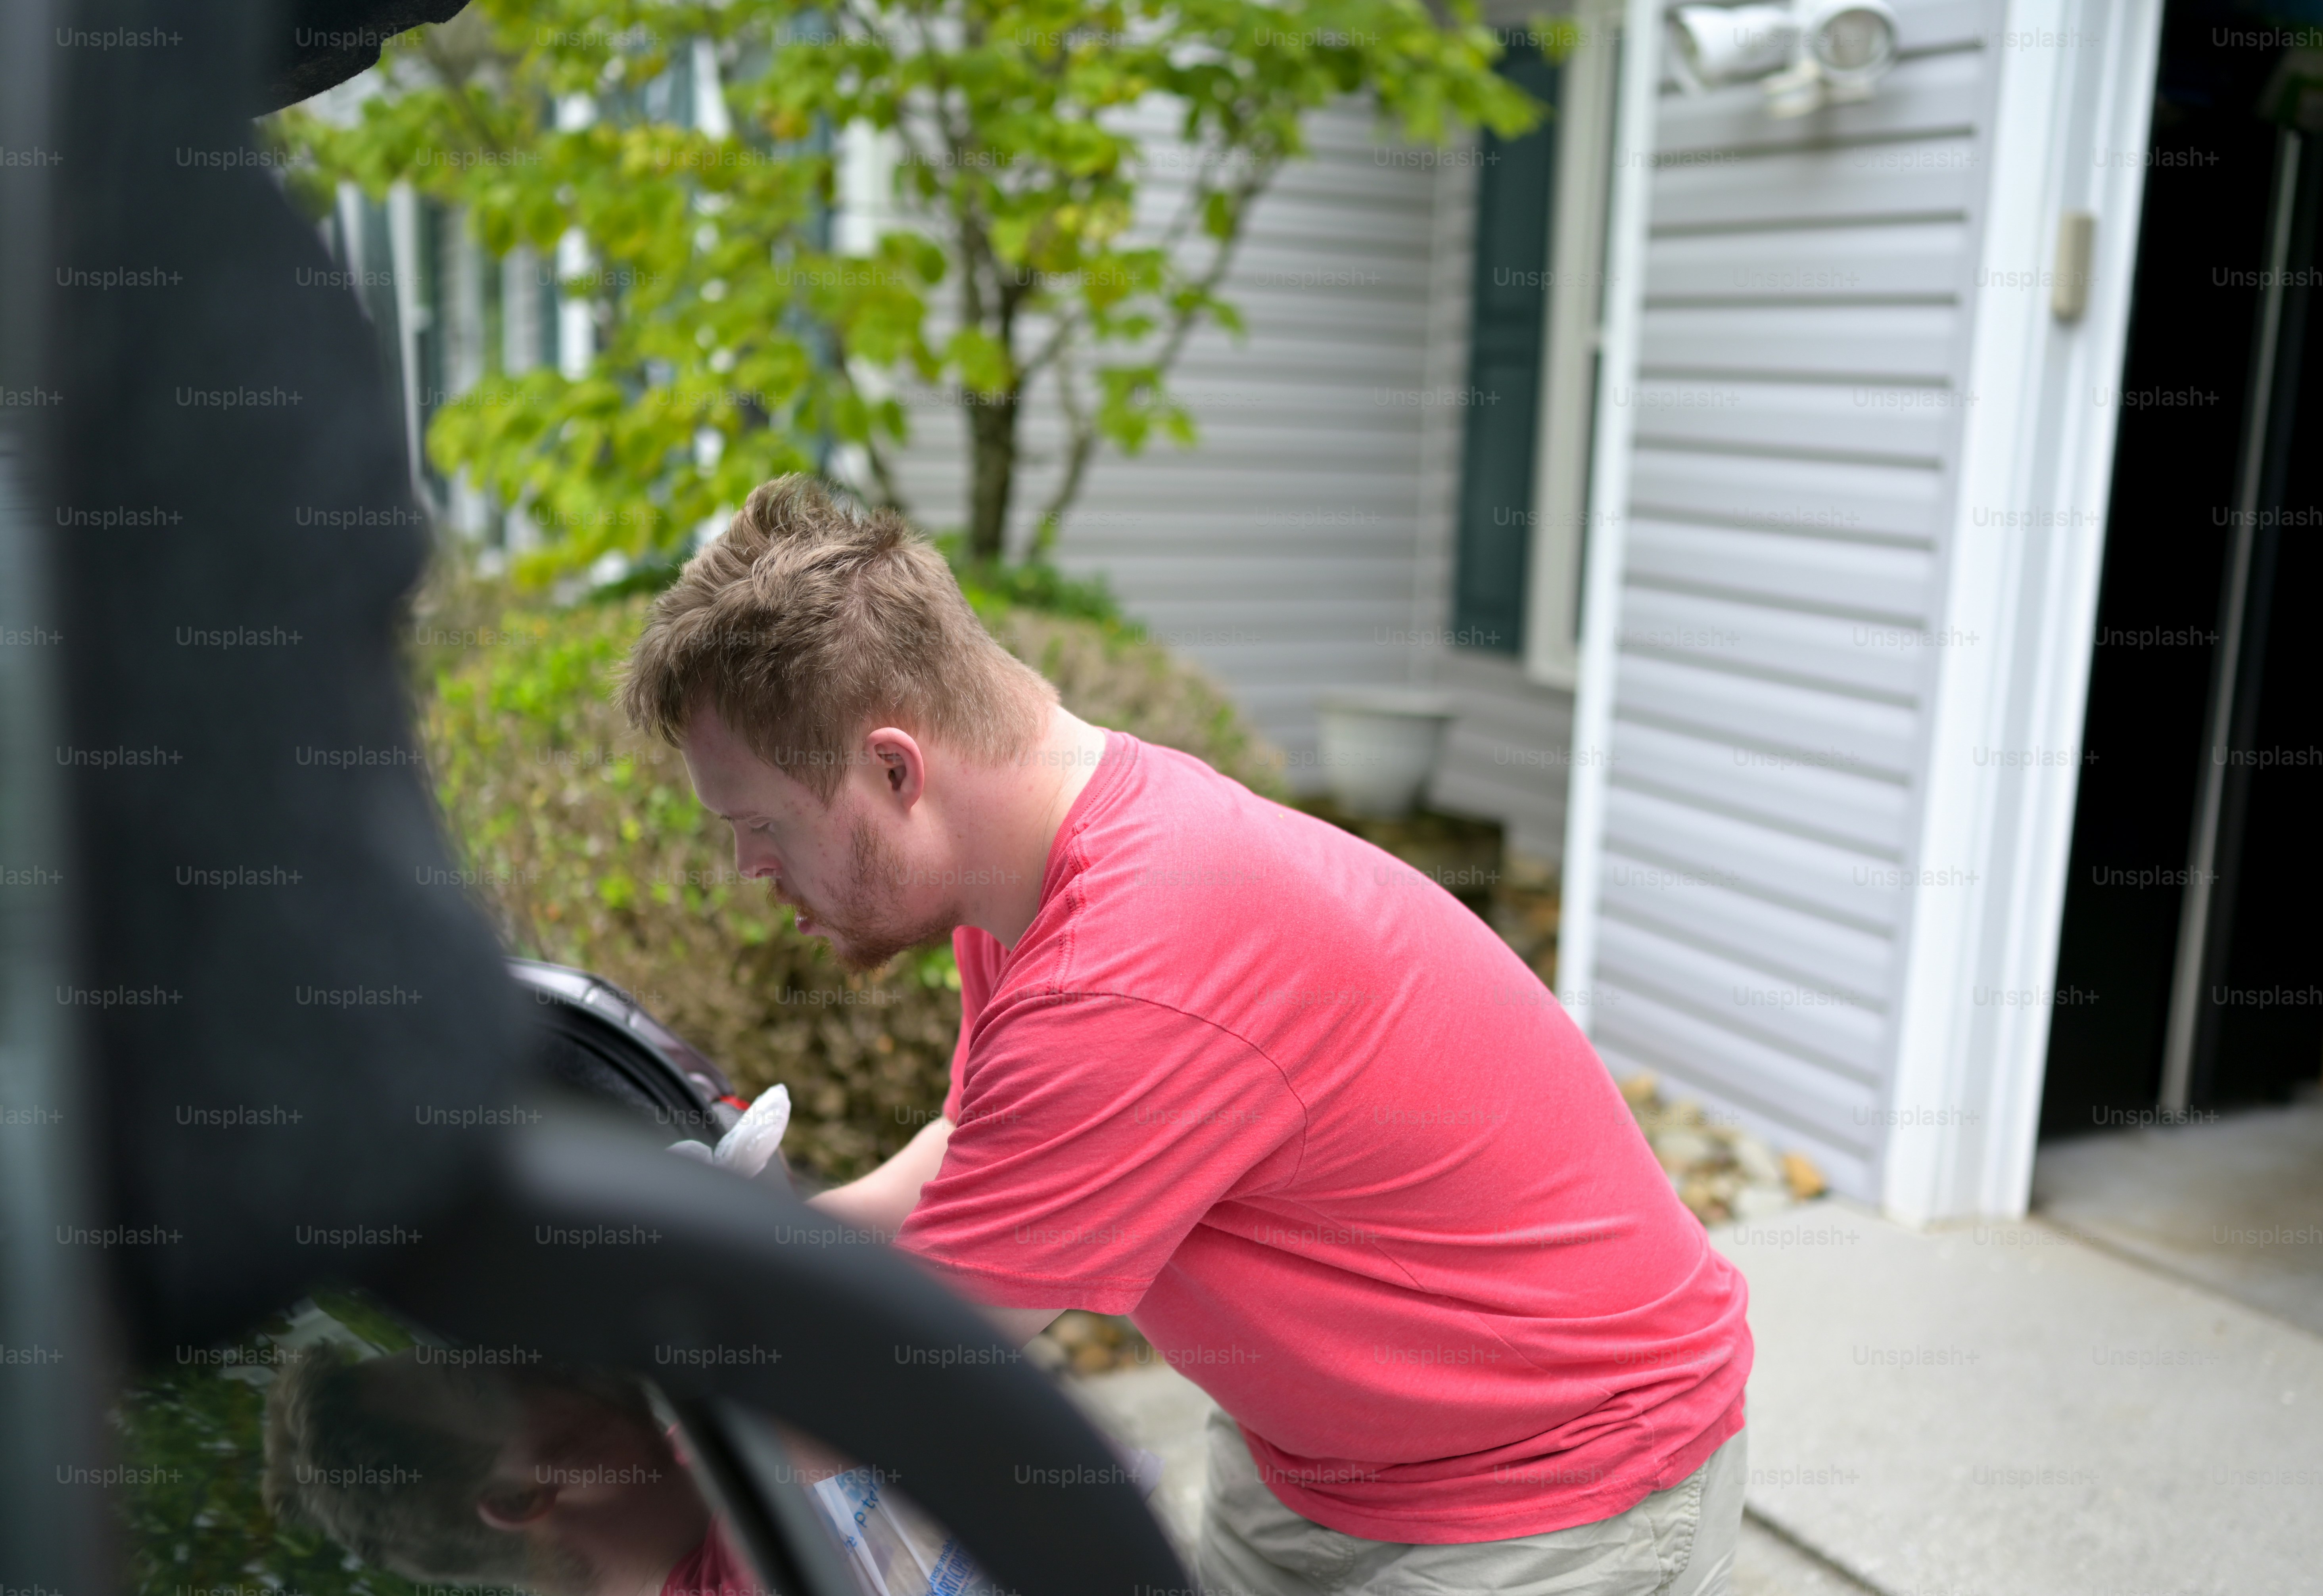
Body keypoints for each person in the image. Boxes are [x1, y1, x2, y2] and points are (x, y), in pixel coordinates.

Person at [620, 476, 1754, 1596]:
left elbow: (903, 1386)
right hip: (1320, 1470)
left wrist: (661, 1528)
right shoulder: (1034, 873)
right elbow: (976, 1153)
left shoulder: (1121, 972)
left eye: (760, 823)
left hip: (1562, 1485)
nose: (748, 869)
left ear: (894, 768)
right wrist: (763, 1245)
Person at [262, 1345, 761, 1596]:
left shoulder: (701, 1450)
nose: (520, 1354)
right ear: (519, 1499)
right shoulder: (762, 1564)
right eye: (480, 1384)